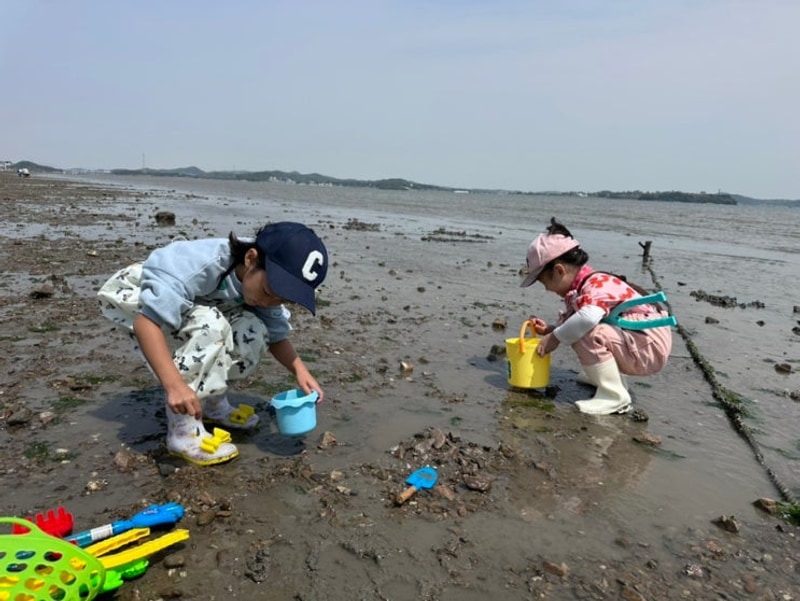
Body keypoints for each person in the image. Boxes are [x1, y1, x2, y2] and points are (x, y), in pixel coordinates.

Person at [97, 221, 328, 465]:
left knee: (254, 329)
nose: (271, 302)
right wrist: (174, 385)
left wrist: (300, 371)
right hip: (141, 297)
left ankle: (211, 404)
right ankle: (182, 431)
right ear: (251, 259)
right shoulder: (202, 264)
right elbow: (147, 323)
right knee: (212, 325)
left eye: (283, 299)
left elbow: (277, 335)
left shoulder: (264, 292)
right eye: (269, 292)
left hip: (200, 306)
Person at [520, 218, 672, 415]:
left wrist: (555, 338)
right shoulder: (584, 287)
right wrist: (550, 329)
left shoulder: (596, 285)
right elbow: (577, 319)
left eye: (544, 282)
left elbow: (587, 319)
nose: (547, 289)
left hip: (648, 346)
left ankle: (614, 395)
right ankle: (606, 379)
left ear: (559, 271)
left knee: (586, 332)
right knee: (578, 328)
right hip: (639, 340)